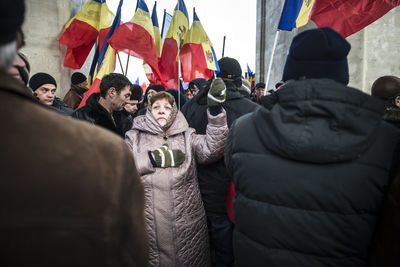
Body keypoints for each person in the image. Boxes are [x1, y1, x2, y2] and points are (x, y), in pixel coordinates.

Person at [224, 27, 400, 267]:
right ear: (342, 74)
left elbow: (235, 174)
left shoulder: (243, 129)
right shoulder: (387, 139)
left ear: (290, 71)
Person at [0, 1, 148, 266]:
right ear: (18, 40)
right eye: (126, 97)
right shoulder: (90, 139)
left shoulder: (123, 122)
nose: (129, 103)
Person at [125, 79, 229, 266]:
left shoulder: (187, 135)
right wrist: (152, 159)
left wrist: (215, 113)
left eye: (167, 106)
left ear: (174, 111)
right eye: (156, 107)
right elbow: (121, 166)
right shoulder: (134, 137)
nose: (162, 110)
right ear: (149, 111)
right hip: (148, 225)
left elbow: (212, 149)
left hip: (185, 224)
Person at [181, 57, 259, 267]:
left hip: (196, 194)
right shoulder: (252, 110)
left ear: (216, 76)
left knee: (199, 253)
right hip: (234, 194)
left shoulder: (189, 107)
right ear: (239, 79)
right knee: (227, 254)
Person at [72, 73, 132, 137]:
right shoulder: (79, 118)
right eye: (126, 96)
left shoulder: (126, 118)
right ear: (112, 92)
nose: (128, 101)